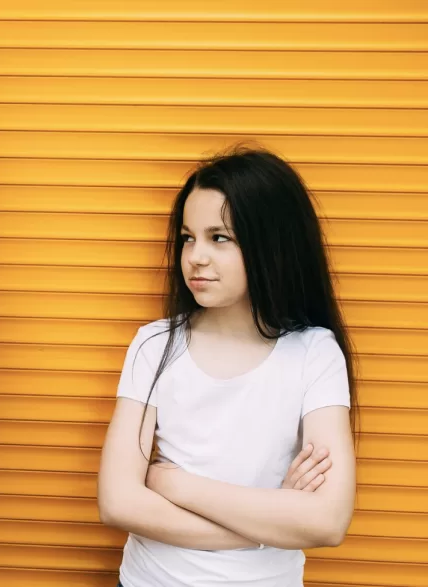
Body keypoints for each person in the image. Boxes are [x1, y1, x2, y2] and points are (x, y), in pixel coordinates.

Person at [97, 147, 358, 587]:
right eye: (188, 237)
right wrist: (267, 525)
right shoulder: (155, 344)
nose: (196, 256)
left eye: (220, 237)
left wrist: (175, 485)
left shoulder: (314, 352)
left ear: (270, 243)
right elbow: (118, 502)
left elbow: (327, 521)